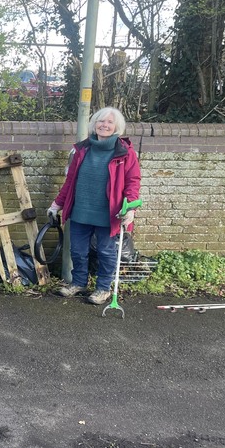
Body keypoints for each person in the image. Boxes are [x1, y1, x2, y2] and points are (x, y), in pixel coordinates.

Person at [47, 106, 141, 305]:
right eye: (101, 121)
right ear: (94, 123)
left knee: (106, 252)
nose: (104, 125)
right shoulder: (82, 149)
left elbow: (133, 181)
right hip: (81, 209)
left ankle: (103, 288)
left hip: (109, 213)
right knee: (78, 251)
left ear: (117, 127)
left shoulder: (124, 152)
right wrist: (57, 204)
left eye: (109, 122)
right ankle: (78, 282)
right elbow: (70, 180)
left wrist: (131, 208)